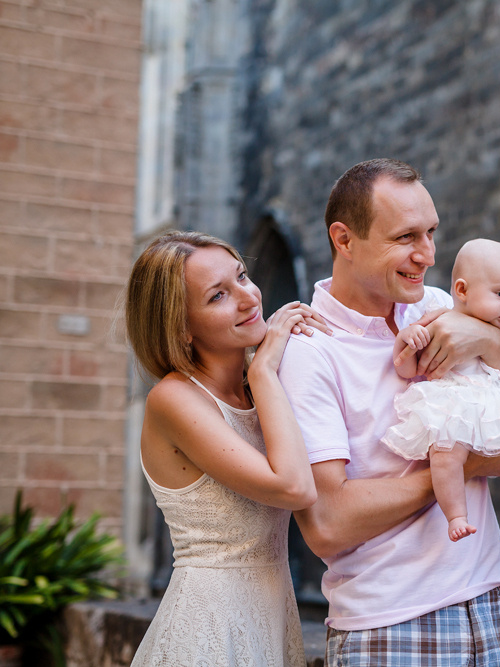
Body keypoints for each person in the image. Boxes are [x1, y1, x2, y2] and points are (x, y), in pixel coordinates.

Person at [279, 158, 500, 665]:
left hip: (493, 600)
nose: (428, 255)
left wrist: (485, 339)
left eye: (432, 232)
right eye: (406, 237)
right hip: (390, 624)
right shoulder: (309, 353)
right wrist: (465, 468)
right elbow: (327, 523)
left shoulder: (442, 306)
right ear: (344, 240)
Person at [124, 231, 328, 667]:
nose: (249, 297)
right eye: (218, 295)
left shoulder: (259, 385)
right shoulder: (174, 399)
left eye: (242, 276)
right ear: (181, 326)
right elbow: (294, 487)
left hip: (274, 615)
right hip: (207, 628)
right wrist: (267, 371)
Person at [381, 238, 500, 541]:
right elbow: (408, 369)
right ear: (462, 290)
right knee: (446, 454)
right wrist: (407, 340)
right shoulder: (440, 319)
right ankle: (456, 514)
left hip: (499, 402)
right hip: (456, 403)